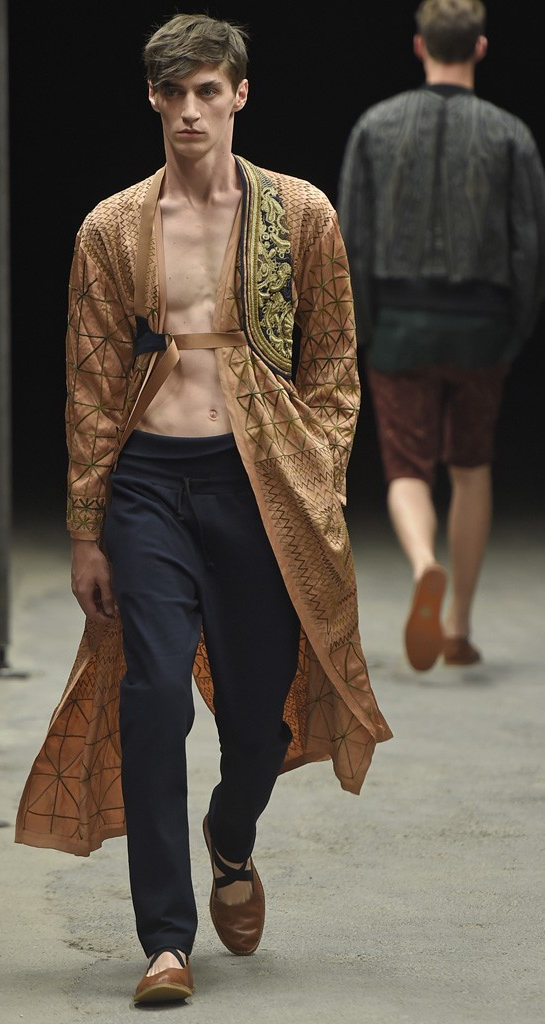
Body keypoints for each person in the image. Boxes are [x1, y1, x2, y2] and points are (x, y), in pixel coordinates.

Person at [15, 12, 392, 1004]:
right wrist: (85, 528)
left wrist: (316, 480)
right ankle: (165, 940)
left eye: (207, 91)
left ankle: (230, 835)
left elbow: (333, 360)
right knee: (151, 696)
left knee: (259, 724)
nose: (190, 109)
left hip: (257, 484)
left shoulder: (298, 213)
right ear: (152, 97)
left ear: (238, 95)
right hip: (146, 480)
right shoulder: (111, 227)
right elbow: (92, 383)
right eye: (173, 92)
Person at [337, 0, 545, 673]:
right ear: (479, 48)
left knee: (406, 469)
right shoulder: (510, 134)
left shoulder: (375, 125)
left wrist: (366, 328)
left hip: (399, 323)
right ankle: (456, 626)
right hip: (482, 326)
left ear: (419, 46)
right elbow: (529, 246)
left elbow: (352, 238)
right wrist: (514, 329)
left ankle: (425, 562)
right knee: (471, 467)